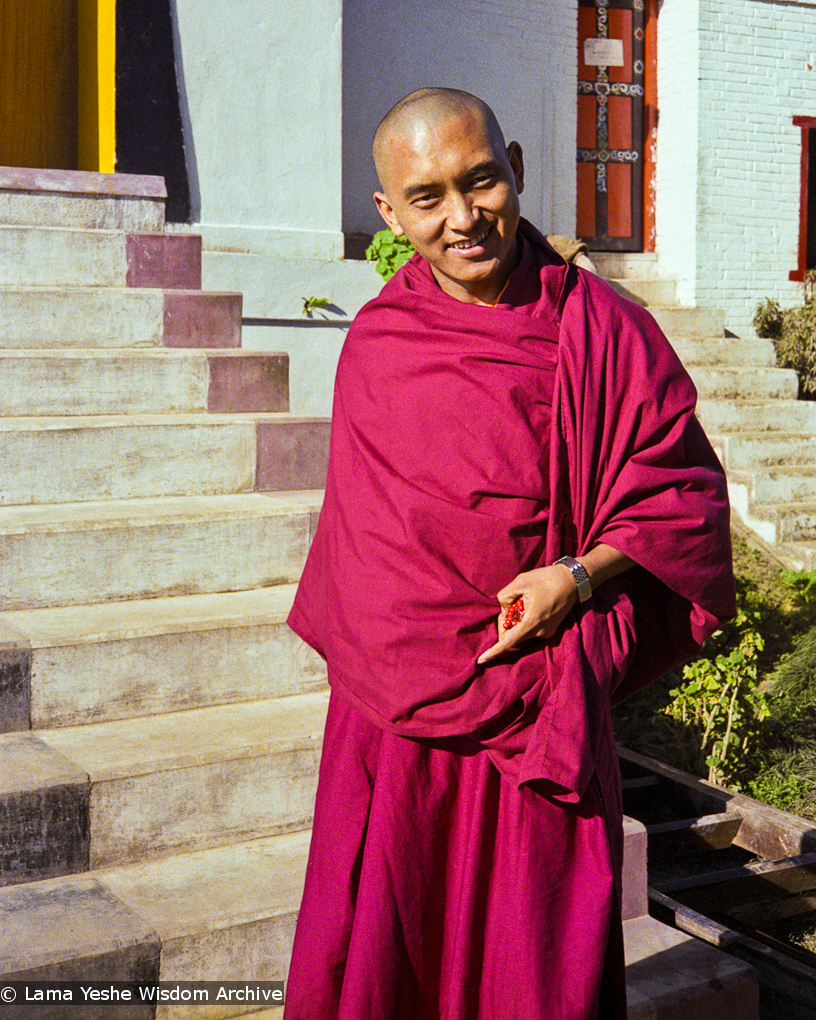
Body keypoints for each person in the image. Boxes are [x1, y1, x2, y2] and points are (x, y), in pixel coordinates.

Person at [284, 88, 735, 1020]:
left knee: (532, 967)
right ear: (389, 213)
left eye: (480, 180)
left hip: (539, 717)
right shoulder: (379, 342)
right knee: (390, 953)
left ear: (517, 166)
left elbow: (681, 496)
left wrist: (576, 578)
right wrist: (392, 657)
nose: (462, 218)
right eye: (428, 197)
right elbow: (362, 547)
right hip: (393, 725)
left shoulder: (603, 331)